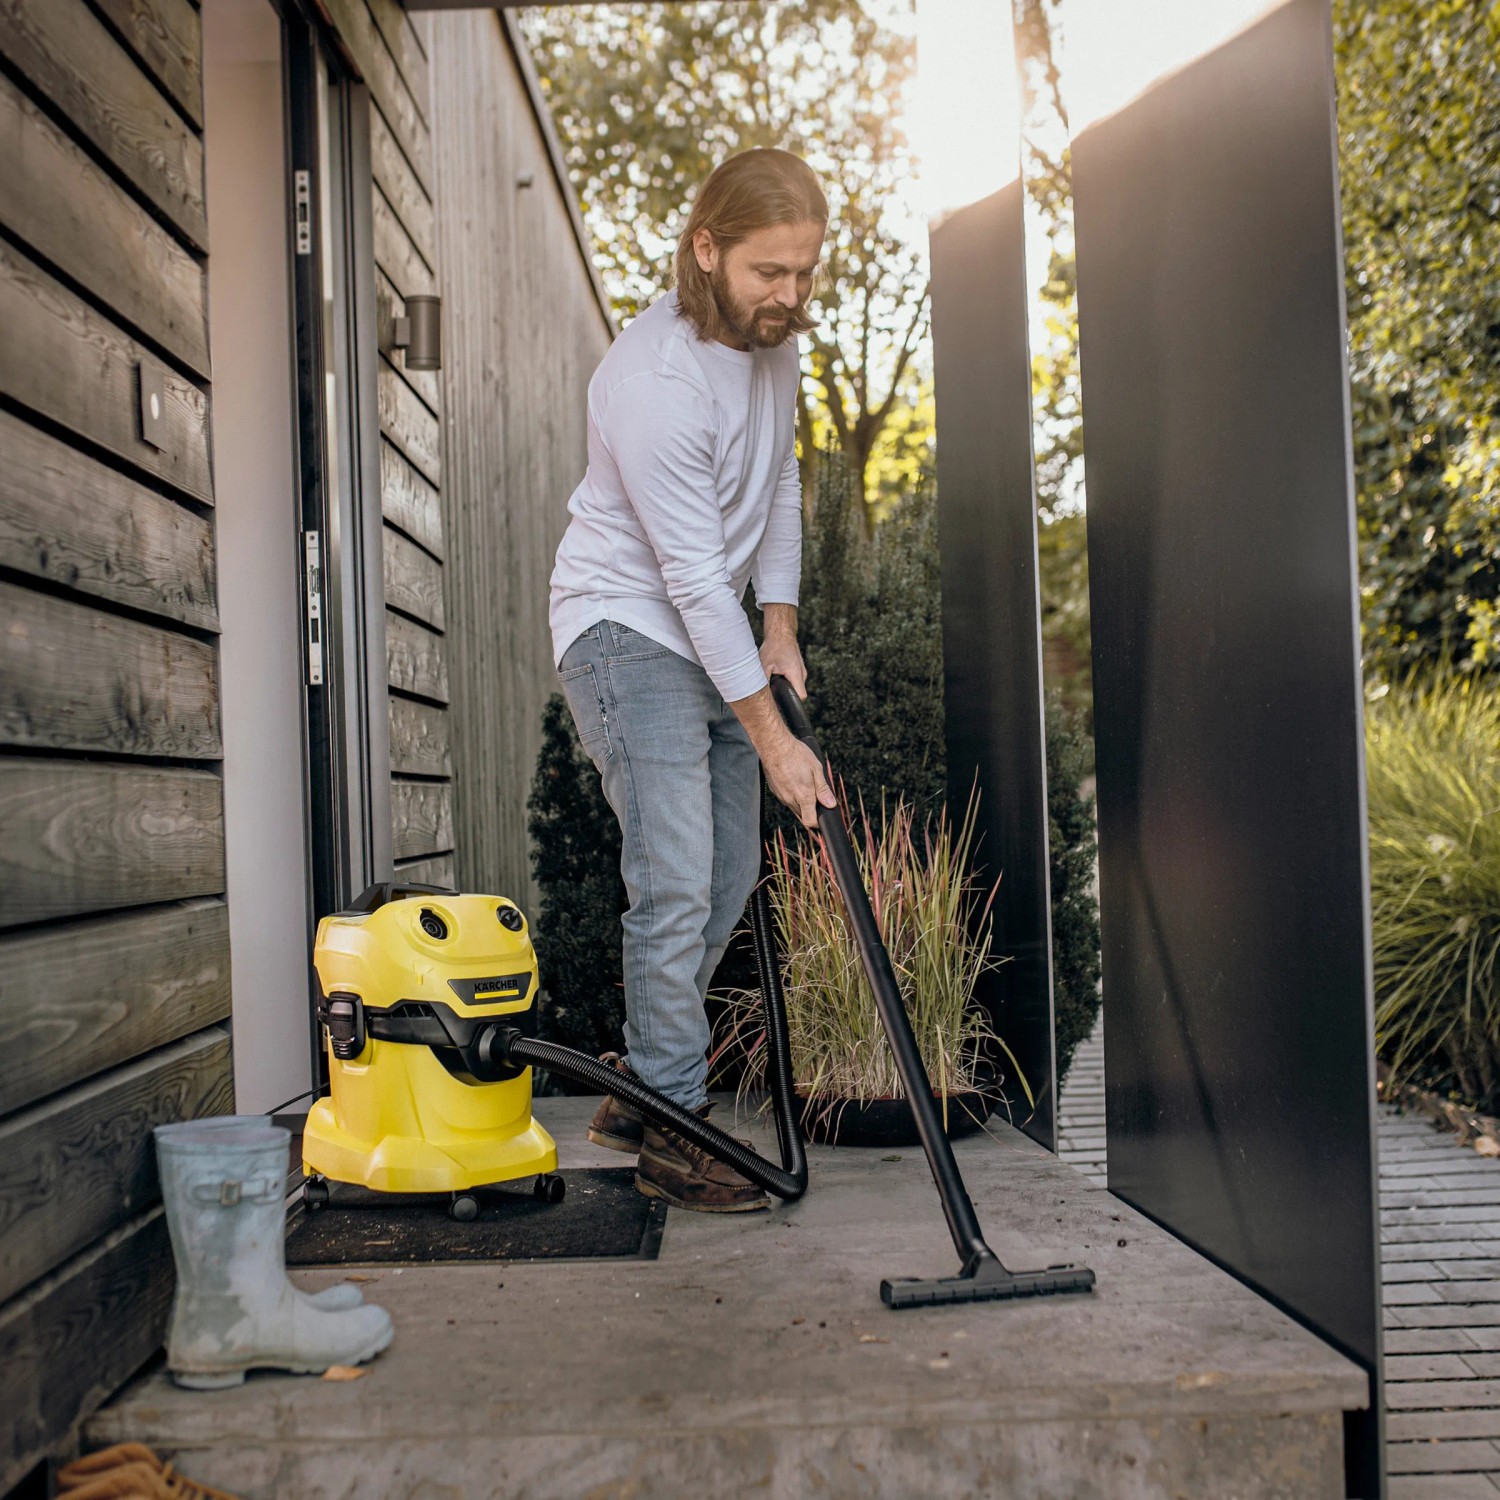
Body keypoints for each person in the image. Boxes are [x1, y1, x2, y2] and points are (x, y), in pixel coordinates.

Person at [548, 148, 836, 1213]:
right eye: (771, 272)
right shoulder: (650, 384)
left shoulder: (776, 348)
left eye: (806, 271)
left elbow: (778, 484)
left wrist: (782, 623)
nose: (791, 296)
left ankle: (640, 1089)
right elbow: (681, 576)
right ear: (705, 250)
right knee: (673, 879)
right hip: (626, 628)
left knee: (722, 882)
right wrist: (777, 742)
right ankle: (674, 1130)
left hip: (711, 626)